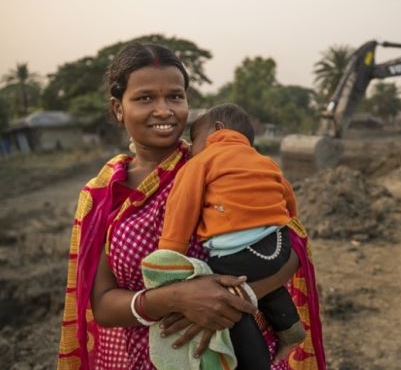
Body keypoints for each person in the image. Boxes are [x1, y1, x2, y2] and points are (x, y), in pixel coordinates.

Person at [56, 42, 326, 370]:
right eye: (144, 98)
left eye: (175, 96)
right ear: (118, 108)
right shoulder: (105, 194)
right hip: (152, 358)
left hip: (248, 352)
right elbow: (102, 304)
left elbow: (291, 243)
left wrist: (230, 302)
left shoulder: (222, 166)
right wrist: (175, 300)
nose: (164, 110)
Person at [157, 103, 305, 368]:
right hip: (279, 244)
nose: (191, 149)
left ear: (217, 130)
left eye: (194, 140)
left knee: (219, 295)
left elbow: (182, 208)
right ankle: (289, 325)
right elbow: (288, 197)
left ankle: (255, 362)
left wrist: (171, 256)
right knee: (254, 277)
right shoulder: (264, 161)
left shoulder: (201, 162)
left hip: (239, 255)